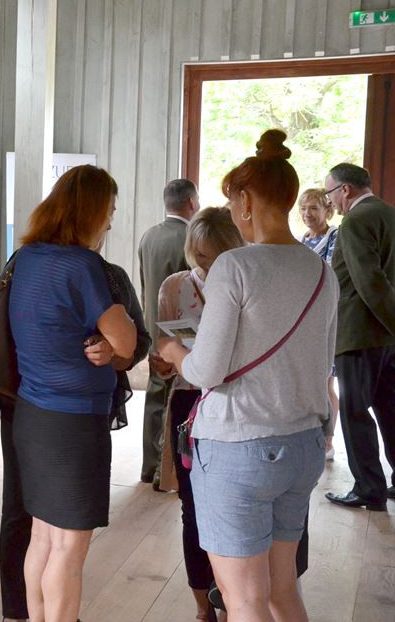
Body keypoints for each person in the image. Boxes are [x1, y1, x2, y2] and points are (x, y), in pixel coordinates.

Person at [158, 129, 338, 622]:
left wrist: (174, 352)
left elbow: (207, 370)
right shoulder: (322, 271)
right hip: (301, 442)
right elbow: (324, 363)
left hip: (238, 447)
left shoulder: (234, 266)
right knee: (283, 592)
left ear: (245, 200)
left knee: (243, 600)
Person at [0, 230, 150, 622]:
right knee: (66, 545)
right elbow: (131, 340)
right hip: (71, 419)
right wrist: (117, 345)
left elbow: (129, 348)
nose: (110, 225)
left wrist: (111, 352)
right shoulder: (87, 267)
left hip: (31, 411)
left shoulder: (25, 258)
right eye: (108, 213)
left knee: (43, 537)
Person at [155, 206, 245, 622]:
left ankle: (232, 599)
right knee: (191, 506)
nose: (205, 266)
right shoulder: (175, 286)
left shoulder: (248, 280)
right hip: (190, 402)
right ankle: (202, 606)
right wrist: (164, 359)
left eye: (212, 255)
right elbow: (162, 348)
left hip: (236, 402)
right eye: (200, 256)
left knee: (230, 507)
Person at [322, 163, 395, 511]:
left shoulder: (355, 220)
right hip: (385, 338)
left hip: (358, 334)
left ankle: (369, 489)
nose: (331, 201)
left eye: (330, 193)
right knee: (389, 408)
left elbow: (370, 281)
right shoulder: (388, 213)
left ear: (345, 190)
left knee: (354, 412)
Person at [138, 178, 200, 488]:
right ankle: (170, 468)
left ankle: (149, 466)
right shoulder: (191, 238)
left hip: (151, 327)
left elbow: (145, 286)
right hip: (180, 333)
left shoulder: (149, 236)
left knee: (154, 395)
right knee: (177, 398)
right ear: (191, 203)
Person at [297, 188, 341, 460]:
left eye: (314, 208)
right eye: (303, 209)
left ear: (327, 210)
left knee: (326, 382)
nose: (307, 214)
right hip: (304, 321)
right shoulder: (302, 240)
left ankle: (328, 441)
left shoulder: (335, 237)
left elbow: (331, 275)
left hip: (326, 318)